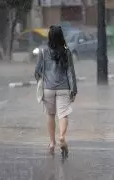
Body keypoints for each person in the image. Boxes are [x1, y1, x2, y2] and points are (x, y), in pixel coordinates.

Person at [34, 25, 77, 158]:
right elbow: (70, 72)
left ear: (50, 36)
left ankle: (52, 143)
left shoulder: (43, 51)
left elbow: (37, 72)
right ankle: (62, 137)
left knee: (50, 115)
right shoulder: (66, 51)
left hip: (48, 88)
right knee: (63, 114)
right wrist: (73, 89)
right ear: (61, 36)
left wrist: (41, 79)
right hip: (64, 87)